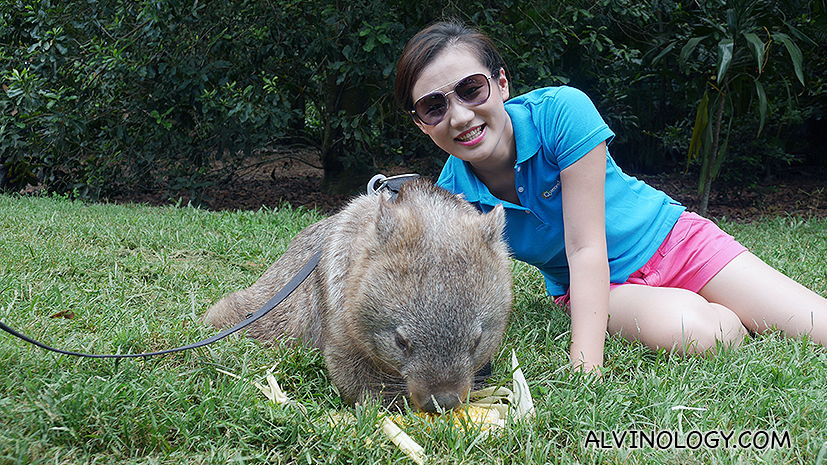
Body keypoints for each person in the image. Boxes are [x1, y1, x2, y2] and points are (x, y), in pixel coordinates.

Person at [393, 20, 827, 374]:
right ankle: (724, 312)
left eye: (471, 89)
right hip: (599, 291)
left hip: (676, 243)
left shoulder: (562, 112)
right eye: (435, 106)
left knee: (817, 325)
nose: (460, 116)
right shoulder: (450, 199)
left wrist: (585, 368)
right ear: (421, 124)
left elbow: (585, 244)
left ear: (501, 83)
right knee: (708, 335)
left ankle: (729, 302)